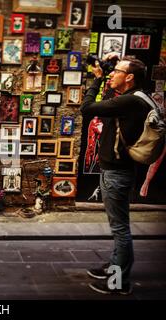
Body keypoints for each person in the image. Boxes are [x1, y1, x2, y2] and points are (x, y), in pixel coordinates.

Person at [80, 54, 151, 295]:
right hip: (116, 170)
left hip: (117, 173)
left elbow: (87, 108)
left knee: (120, 229)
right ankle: (114, 266)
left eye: (117, 71)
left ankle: (120, 281)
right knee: (118, 227)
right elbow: (108, 107)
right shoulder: (134, 99)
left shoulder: (131, 102)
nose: (112, 74)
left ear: (129, 77)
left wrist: (97, 80)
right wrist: (108, 73)